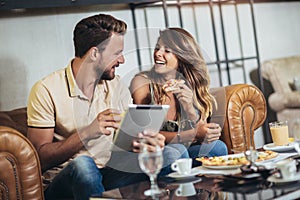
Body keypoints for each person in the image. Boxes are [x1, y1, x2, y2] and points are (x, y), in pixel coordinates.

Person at [27, 14, 188, 200]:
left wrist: (146, 143)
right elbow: (38, 158)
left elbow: (128, 145)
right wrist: (86, 134)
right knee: (83, 165)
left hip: (110, 173)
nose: (122, 60)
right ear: (94, 53)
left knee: (171, 154)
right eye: (116, 53)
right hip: (66, 182)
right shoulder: (46, 89)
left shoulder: (117, 86)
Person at [130, 27, 228, 166]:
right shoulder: (142, 82)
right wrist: (192, 134)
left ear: (182, 56)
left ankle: (208, 187)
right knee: (177, 150)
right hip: (156, 151)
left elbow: (202, 134)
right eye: (157, 48)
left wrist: (188, 107)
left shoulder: (190, 84)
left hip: (186, 148)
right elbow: (145, 135)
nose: (158, 53)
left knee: (217, 147)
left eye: (167, 51)